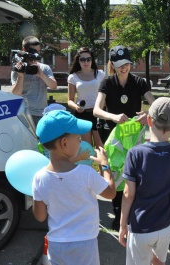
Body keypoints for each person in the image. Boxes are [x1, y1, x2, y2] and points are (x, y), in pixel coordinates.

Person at [32, 110, 116, 265]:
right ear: (64, 143)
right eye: (78, 138)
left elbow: (40, 216)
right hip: (85, 244)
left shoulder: (39, 178)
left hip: (56, 245)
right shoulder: (86, 173)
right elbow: (110, 193)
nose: (81, 141)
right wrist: (105, 165)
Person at [118, 97, 170, 265]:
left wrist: (123, 225)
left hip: (142, 226)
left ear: (149, 120)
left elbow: (128, 194)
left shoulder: (135, 153)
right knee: (159, 260)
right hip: (167, 224)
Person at [93, 45, 155, 231]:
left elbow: (156, 104)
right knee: (115, 174)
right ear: (112, 64)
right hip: (113, 136)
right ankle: (118, 211)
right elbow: (96, 109)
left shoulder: (139, 82)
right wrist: (114, 116)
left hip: (134, 136)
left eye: (126, 64)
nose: (123, 68)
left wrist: (148, 115)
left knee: (134, 173)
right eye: (119, 64)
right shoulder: (107, 83)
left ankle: (132, 212)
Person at [11, 36, 57, 125]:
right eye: (34, 51)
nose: (37, 55)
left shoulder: (44, 68)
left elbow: (54, 86)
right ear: (24, 49)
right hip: (25, 114)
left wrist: (41, 75)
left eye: (38, 51)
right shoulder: (17, 69)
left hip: (43, 113)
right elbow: (15, 94)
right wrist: (20, 76)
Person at [67, 47, 105, 148]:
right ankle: (86, 165)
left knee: (100, 148)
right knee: (86, 149)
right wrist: (76, 107)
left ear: (92, 60)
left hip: (98, 114)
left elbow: (107, 95)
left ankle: (103, 164)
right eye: (82, 59)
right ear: (78, 60)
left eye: (88, 59)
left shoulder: (100, 74)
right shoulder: (73, 77)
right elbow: (70, 100)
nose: (86, 62)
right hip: (82, 115)